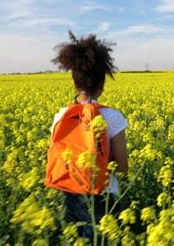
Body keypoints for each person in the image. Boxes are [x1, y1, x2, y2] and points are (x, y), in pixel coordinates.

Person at [50, 31, 129, 241]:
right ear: (102, 84)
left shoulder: (60, 116)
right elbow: (122, 167)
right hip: (104, 196)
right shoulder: (112, 117)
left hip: (70, 193)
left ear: (74, 83)